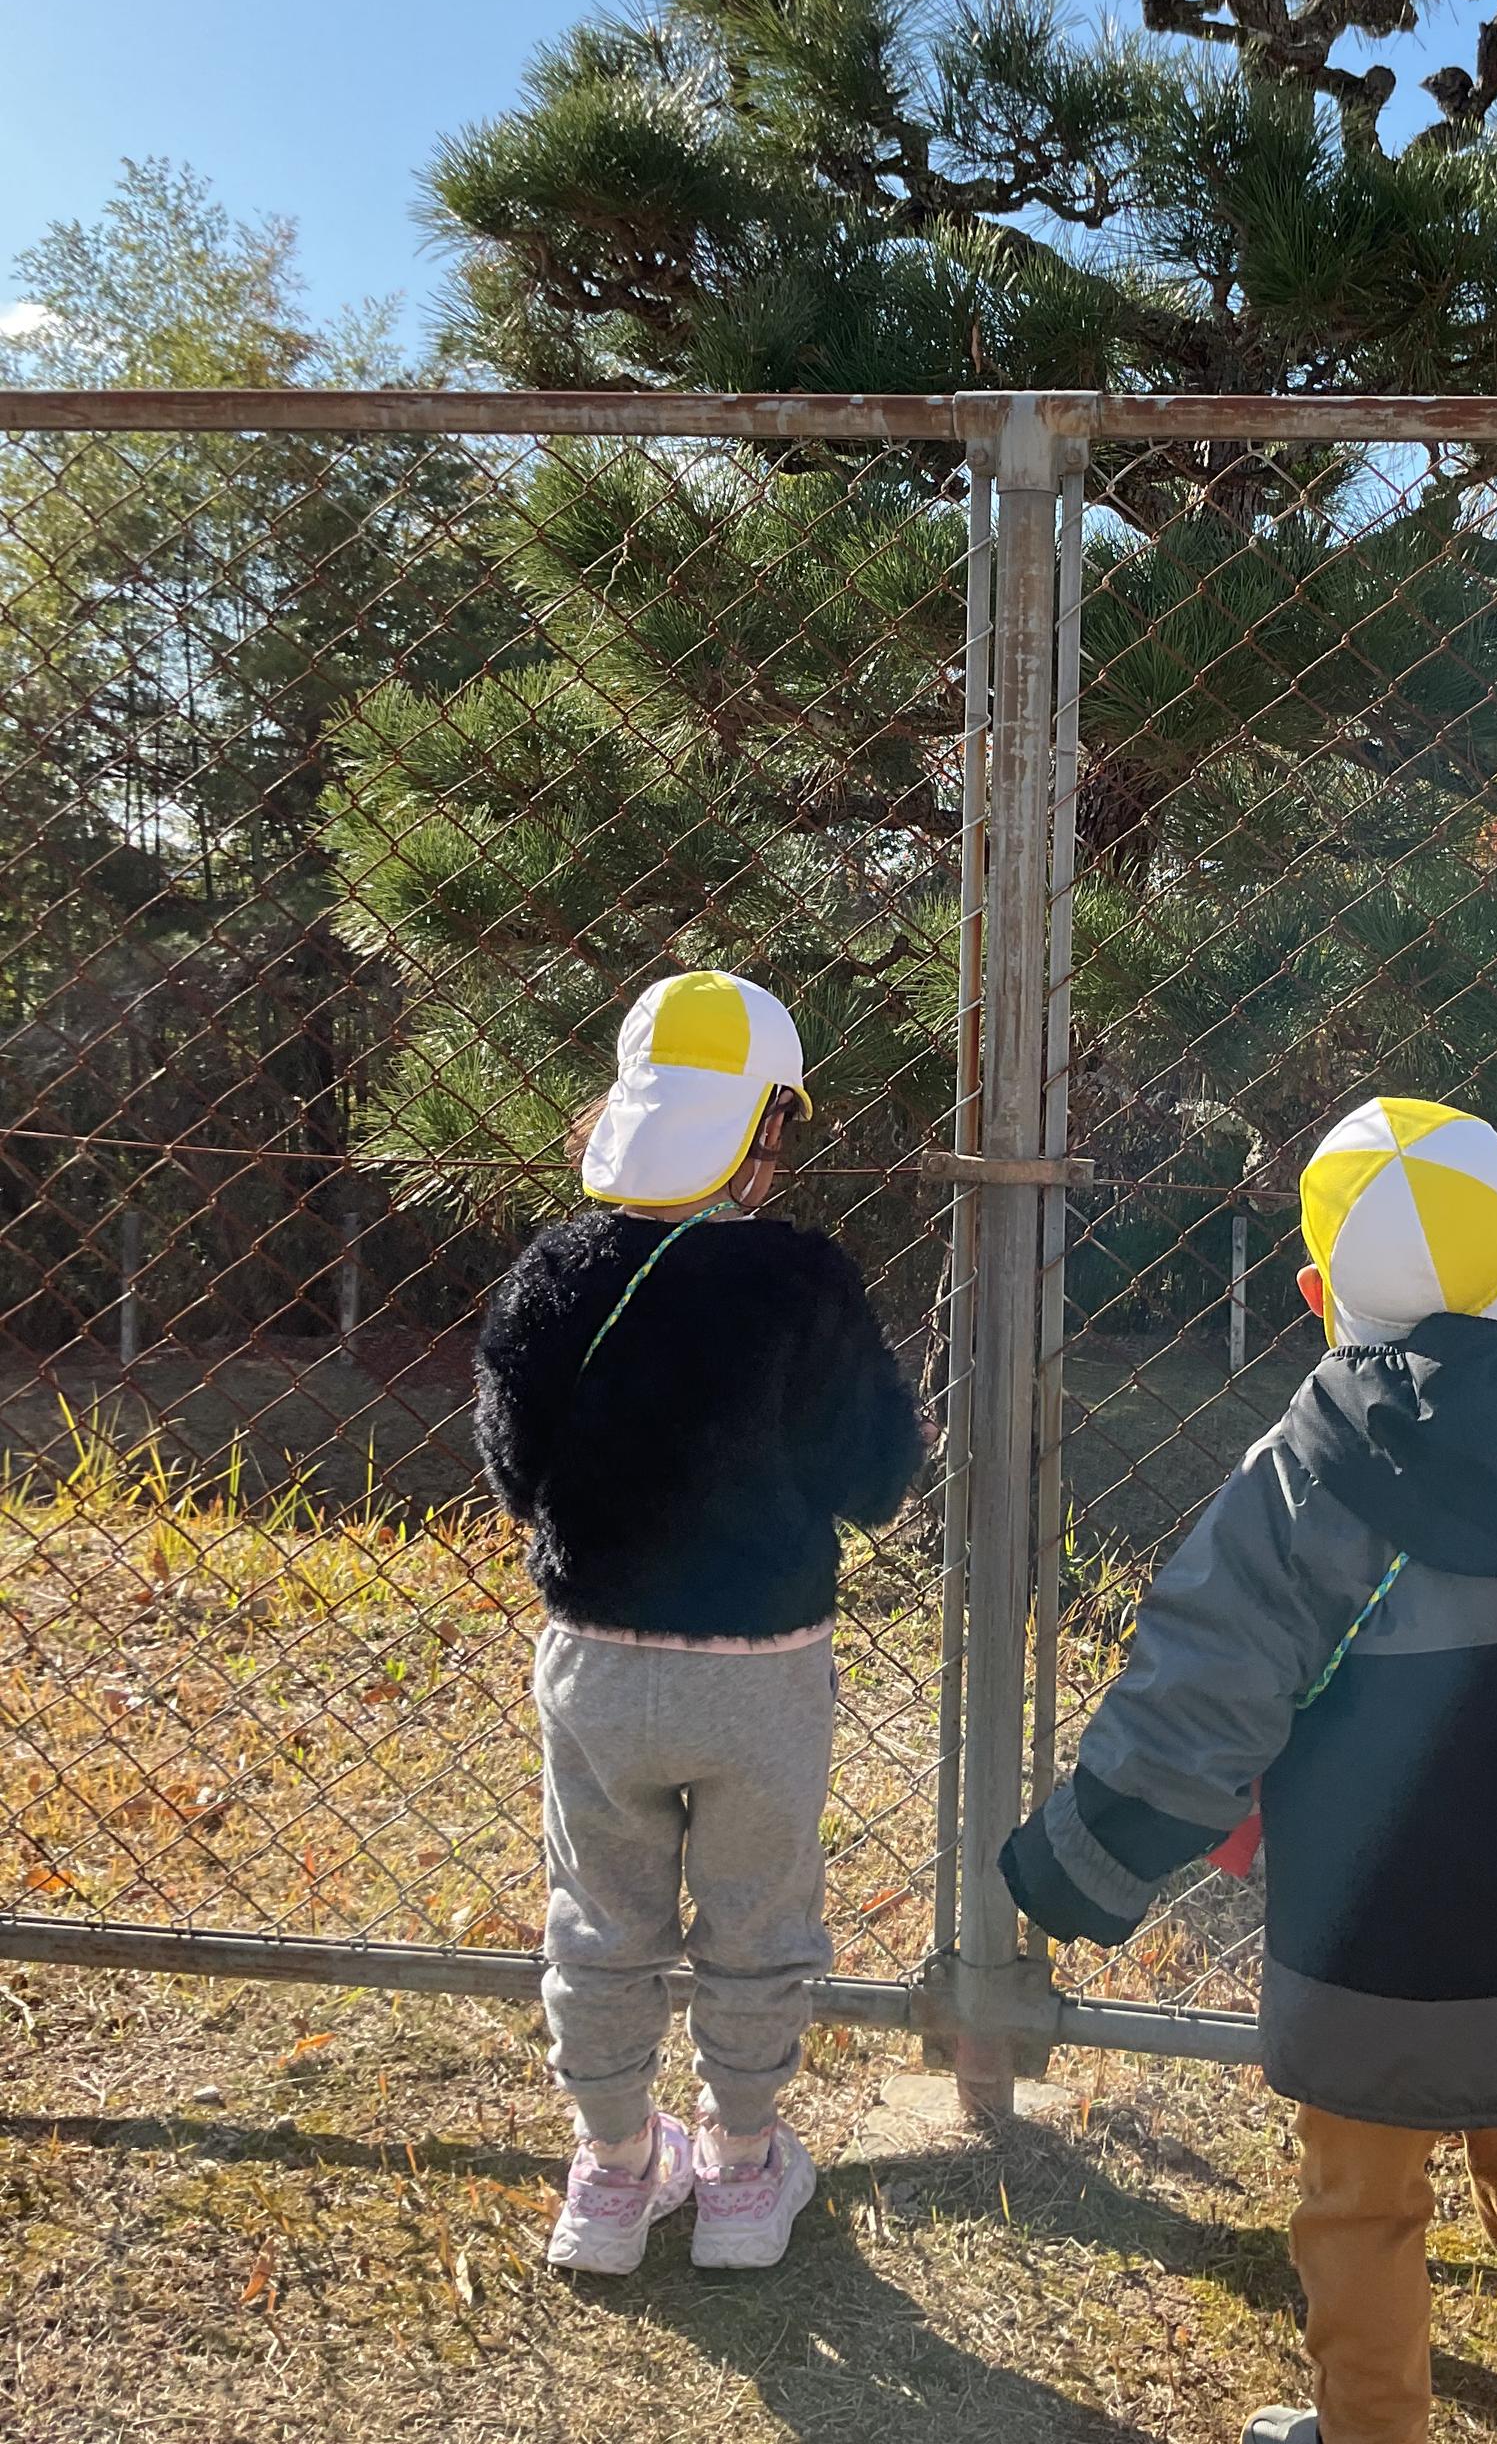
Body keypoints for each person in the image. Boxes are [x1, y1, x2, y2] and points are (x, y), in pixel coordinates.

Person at [1003, 1097, 1497, 2444]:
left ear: (1320, 1293)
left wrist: (1084, 1855)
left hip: (1368, 1947)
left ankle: (1374, 2428)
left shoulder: (1297, 1478)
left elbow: (1200, 1692)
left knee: (1361, 2206)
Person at [475, 970, 923, 2275]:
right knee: (757, 1921)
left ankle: (614, 2172)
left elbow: (515, 1471)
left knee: (599, 1918)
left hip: (600, 1665)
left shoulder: (554, 1272)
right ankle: (740, 2169)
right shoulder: (804, 1280)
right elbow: (876, 1477)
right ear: (761, 1127)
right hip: (763, 1670)